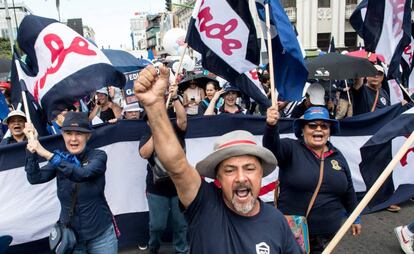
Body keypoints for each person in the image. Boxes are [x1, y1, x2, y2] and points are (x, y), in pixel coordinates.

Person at [134, 65, 302, 254]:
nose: (240, 178)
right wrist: (154, 105)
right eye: (229, 170)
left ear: (261, 173)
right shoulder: (204, 204)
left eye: (249, 168)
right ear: (218, 177)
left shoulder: (276, 221)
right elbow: (176, 164)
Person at [263, 105, 362, 253]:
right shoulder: (291, 148)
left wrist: (355, 217)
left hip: (328, 237)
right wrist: (271, 126)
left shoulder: (337, 155)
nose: (319, 129)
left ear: (329, 132)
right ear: (302, 130)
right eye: (312, 125)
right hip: (294, 234)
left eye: (324, 126)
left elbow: (348, 189)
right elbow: (271, 149)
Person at [23, 112, 118, 254]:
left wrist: (46, 154)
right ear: (63, 135)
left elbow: (83, 174)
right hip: (71, 238)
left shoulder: (98, 156)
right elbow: (35, 178)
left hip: (101, 236)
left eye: (79, 133)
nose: (73, 139)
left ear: (88, 136)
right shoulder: (61, 157)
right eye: (68, 133)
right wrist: (31, 152)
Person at [139, 83, 188, 254]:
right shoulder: (146, 136)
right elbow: (144, 154)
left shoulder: (176, 130)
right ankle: (153, 248)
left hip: (179, 187)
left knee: (180, 224)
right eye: (149, 119)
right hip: (157, 189)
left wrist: (175, 98)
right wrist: (156, 130)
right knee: (157, 226)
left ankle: (181, 250)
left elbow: (182, 120)